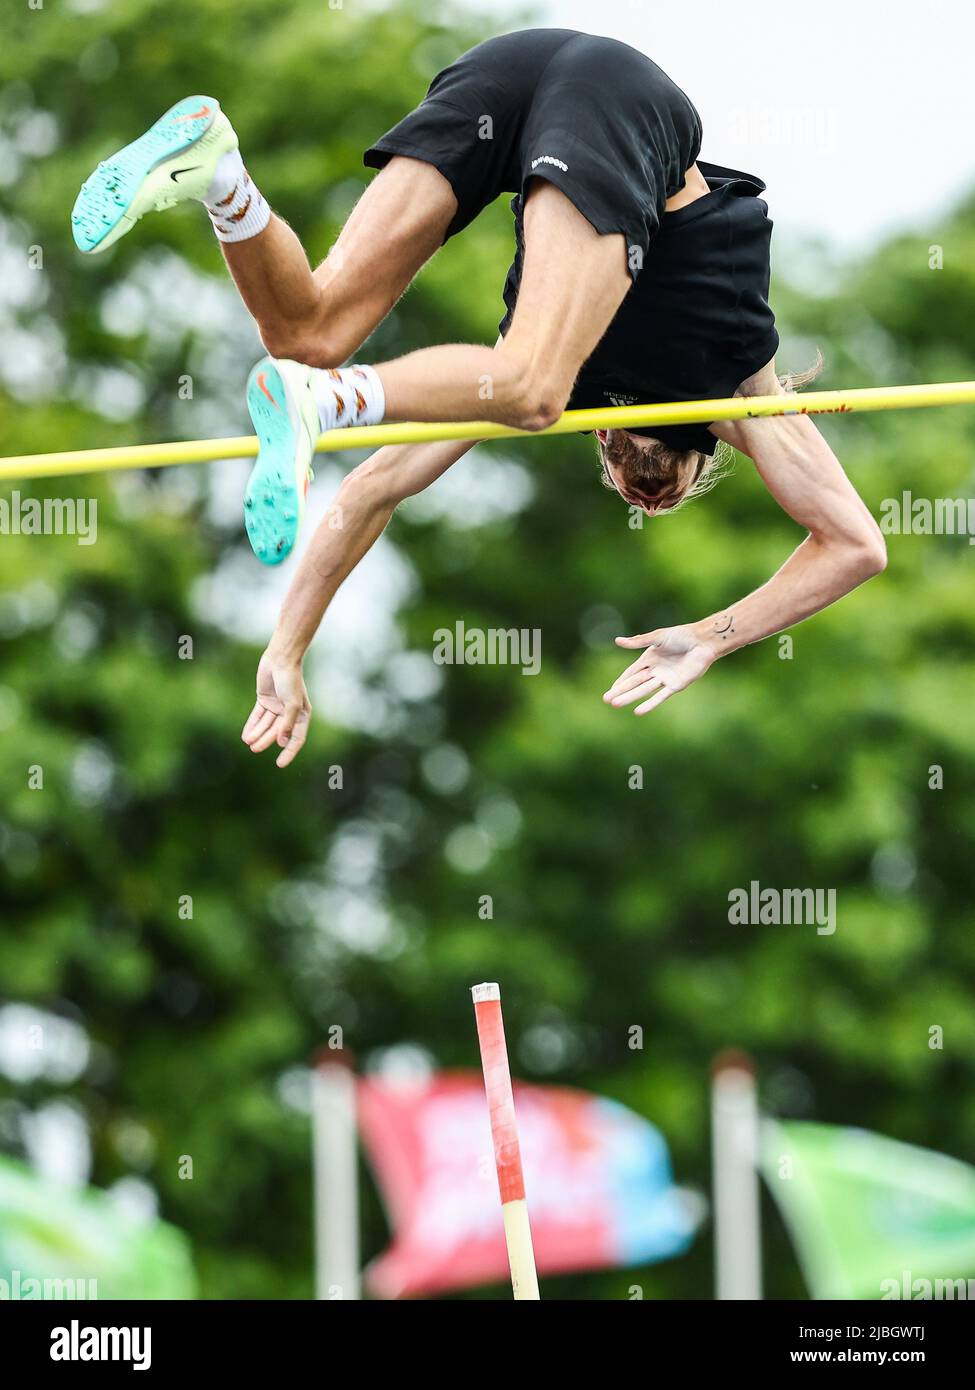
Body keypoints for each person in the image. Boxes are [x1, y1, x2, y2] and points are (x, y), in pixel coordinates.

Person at [72, 29, 886, 767]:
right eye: (667, 494)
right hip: (621, 102)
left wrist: (285, 648)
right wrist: (709, 639)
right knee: (530, 390)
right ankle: (319, 404)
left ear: (603, 445)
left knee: (308, 331)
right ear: (699, 462)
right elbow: (854, 544)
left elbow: (370, 490)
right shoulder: (737, 392)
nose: (644, 493)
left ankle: (220, 175)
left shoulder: (526, 370)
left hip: (511, 76)